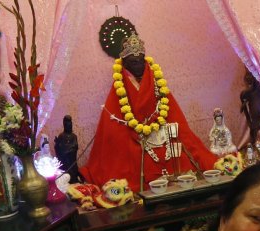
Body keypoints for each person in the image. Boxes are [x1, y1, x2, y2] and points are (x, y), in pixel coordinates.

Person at [80, 33, 216, 192]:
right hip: (133, 133)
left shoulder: (156, 82)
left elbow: (173, 116)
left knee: (184, 149)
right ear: (124, 64)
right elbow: (113, 128)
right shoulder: (120, 86)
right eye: (133, 62)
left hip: (160, 132)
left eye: (140, 62)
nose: (138, 66)